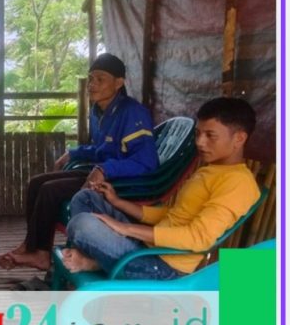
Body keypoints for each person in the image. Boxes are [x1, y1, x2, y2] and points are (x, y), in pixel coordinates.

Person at [62, 97, 260, 279]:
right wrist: (118, 202)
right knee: (85, 197)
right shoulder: (212, 170)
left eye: (210, 135)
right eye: (198, 133)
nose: (200, 142)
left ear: (239, 139)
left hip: (164, 267)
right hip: (148, 247)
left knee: (83, 224)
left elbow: (198, 238)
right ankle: (98, 260)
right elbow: (172, 215)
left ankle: (95, 261)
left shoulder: (238, 182)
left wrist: (125, 228)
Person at [0, 53, 159, 272]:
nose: (92, 84)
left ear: (119, 83)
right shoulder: (99, 111)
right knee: (36, 183)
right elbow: (101, 150)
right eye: (90, 78)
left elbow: (146, 163)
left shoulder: (132, 113)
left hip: (122, 183)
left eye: (100, 79)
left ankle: (42, 255)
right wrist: (73, 153)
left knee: (50, 190)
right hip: (101, 173)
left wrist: (105, 169)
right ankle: (31, 245)